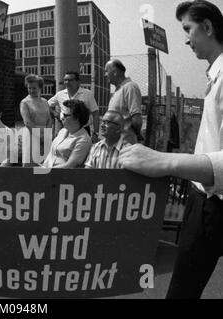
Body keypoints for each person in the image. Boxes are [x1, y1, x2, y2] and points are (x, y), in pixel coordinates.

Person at [119, 0, 223, 299]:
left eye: (188, 29)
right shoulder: (214, 76)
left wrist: (162, 161)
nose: (186, 39)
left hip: (212, 205)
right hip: (204, 199)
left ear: (207, 27)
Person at [48, 71, 100, 143]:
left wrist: (95, 133)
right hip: (66, 129)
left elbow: (95, 114)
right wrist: (55, 114)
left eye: (70, 80)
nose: (67, 82)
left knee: (83, 152)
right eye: (65, 80)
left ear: (78, 81)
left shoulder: (87, 94)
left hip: (83, 130)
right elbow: (46, 105)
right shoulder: (60, 94)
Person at [42, 99, 92, 169]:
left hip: (62, 176)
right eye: (62, 114)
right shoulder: (62, 131)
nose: (62, 117)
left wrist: (45, 171)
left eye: (66, 115)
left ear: (76, 118)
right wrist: (42, 168)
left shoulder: (83, 140)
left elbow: (70, 166)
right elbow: (51, 154)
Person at [104, 59, 143, 145]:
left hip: (125, 142)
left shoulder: (130, 87)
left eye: (106, 71)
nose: (105, 75)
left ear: (115, 72)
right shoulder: (118, 90)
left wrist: (132, 136)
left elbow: (136, 118)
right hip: (115, 142)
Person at [20, 75, 52, 166]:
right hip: (31, 135)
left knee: (44, 163)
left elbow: (49, 119)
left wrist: (47, 135)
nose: (31, 91)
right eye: (29, 88)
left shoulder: (45, 101)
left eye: (34, 88)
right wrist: (40, 137)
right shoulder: (24, 102)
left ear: (40, 87)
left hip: (45, 136)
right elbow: (27, 122)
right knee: (31, 164)